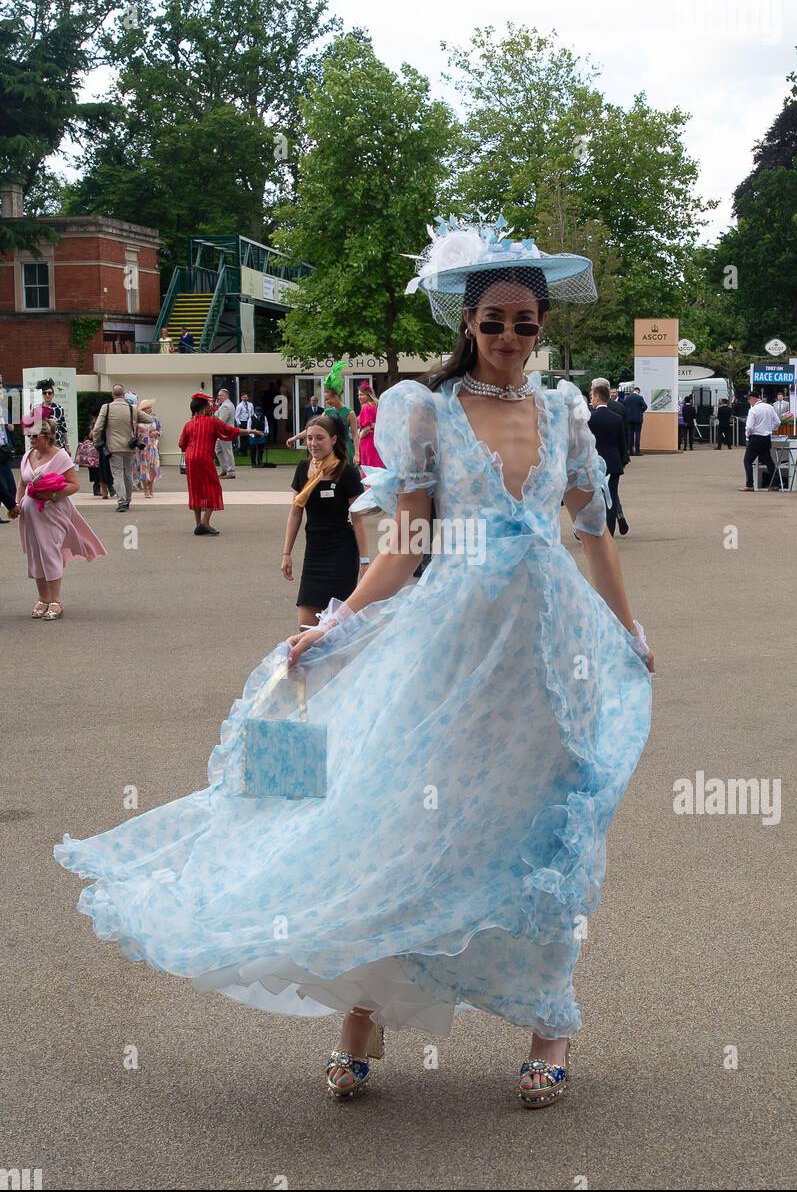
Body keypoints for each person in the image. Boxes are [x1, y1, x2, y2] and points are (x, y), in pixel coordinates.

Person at [54, 218, 653, 1112]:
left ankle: (548, 1026)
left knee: (542, 834)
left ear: (540, 328)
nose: (509, 340)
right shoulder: (426, 408)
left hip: (547, 657)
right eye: (494, 321)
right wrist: (334, 624)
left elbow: (594, 534)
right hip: (449, 649)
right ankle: (361, 1015)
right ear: (466, 321)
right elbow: (406, 543)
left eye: (525, 323)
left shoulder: (565, 409)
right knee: (399, 820)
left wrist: (629, 631)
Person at [16, 414, 106, 619]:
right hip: (30, 516)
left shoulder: (61, 456)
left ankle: (55, 600)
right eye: (29, 436)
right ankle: (42, 598)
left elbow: (74, 485)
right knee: (35, 554)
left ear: (47, 437)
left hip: (52, 513)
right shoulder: (28, 455)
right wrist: (17, 503)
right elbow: (22, 483)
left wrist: (52, 494)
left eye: (35, 436)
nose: (31, 439)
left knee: (49, 552)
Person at [283, 414, 368, 626]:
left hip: (341, 553)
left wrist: (365, 561)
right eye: (309, 438)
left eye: (319, 438)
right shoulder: (303, 470)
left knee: (335, 629)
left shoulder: (345, 471)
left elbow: (358, 519)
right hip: (314, 553)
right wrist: (286, 553)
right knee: (306, 627)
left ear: (333, 439)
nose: (313, 443)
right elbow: (295, 513)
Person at [177, 392, 251, 534]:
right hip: (204, 457)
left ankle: (198, 523)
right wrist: (250, 431)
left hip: (190, 458)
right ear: (204, 408)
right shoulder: (212, 421)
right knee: (213, 488)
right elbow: (231, 430)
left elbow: (181, 444)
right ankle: (205, 523)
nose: (211, 407)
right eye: (208, 405)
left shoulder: (189, 424)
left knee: (195, 489)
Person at [91, 384, 155, 512]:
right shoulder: (132, 409)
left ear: (113, 395)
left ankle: (121, 502)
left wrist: (96, 442)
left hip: (113, 447)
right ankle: (128, 500)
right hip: (130, 447)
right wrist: (135, 417)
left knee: (117, 474)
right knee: (128, 474)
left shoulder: (106, 408)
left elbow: (97, 428)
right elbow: (149, 419)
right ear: (124, 394)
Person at [589, 381, 629, 536]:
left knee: (593, 498)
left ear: (598, 398)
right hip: (613, 463)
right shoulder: (617, 418)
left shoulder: (590, 419)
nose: (591, 400)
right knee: (611, 496)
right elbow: (622, 444)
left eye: (592, 397)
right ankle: (610, 532)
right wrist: (621, 461)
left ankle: (595, 529)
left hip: (594, 464)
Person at [740, 391, 780, 491]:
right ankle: (775, 483)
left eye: (749, 399)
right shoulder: (770, 407)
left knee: (747, 461)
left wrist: (747, 435)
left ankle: (749, 484)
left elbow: (749, 426)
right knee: (768, 461)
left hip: (755, 438)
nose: (748, 401)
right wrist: (771, 428)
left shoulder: (753, 410)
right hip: (766, 438)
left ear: (754, 398)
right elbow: (778, 422)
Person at [322, 361, 358, 465]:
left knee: (347, 476)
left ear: (336, 396)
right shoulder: (327, 412)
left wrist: (357, 453)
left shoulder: (350, 413)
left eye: (328, 399)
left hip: (346, 448)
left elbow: (355, 434)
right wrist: (295, 437)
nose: (327, 402)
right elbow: (314, 426)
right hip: (331, 448)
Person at [134, 400, 161, 498]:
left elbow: (160, 430)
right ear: (144, 409)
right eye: (148, 407)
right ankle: (146, 490)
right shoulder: (138, 420)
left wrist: (157, 433)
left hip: (153, 446)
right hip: (143, 447)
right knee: (144, 468)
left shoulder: (155, 419)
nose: (150, 409)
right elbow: (134, 433)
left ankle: (151, 488)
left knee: (153, 468)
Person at [356, 381, 385, 472]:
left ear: (368, 395)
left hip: (368, 441)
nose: (359, 397)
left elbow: (367, 428)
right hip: (378, 440)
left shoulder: (366, 407)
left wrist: (358, 438)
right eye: (358, 395)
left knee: (369, 467)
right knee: (377, 467)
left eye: (362, 395)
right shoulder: (377, 405)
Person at [36, 379, 70, 453]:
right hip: (42, 444)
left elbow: (63, 428)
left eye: (49, 393)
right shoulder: (37, 409)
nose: (47, 395)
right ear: (42, 394)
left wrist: (67, 445)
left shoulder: (59, 409)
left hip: (57, 444)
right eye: (45, 393)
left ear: (53, 395)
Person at [214, 389, 237, 479]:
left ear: (224, 396)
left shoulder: (226, 406)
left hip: (224, 433)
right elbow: (216, 416)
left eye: (219, 395)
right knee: (218, 450)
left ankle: (231, 472)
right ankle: (225, 469)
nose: (218, 397)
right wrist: (217, 406)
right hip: (222, 433)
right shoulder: (226, 405)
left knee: (227, 451)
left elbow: (220, 421)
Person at [0, 406, 17, 523]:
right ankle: (12, 506)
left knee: (9, 484)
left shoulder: (5, 411)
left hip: (4, 450)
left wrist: (11, 428)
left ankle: (12, 506)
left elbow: (11, 428)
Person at [623, 386, 647, 455]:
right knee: (637, 435)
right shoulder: (639, 398)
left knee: (630, 435)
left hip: (629, 419)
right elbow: (645, 406)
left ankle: (630, 451)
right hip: (638, 419)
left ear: (633, 390)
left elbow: (624, 407)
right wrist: (640, 411)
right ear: (638, 391)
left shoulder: (627, 398)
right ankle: (637, 451)